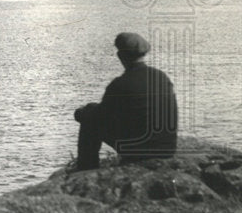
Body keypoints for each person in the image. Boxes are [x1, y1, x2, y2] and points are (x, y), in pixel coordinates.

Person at [73, 32, 178, 171]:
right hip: (167, 149)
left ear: (120, 56)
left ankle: (86, 170)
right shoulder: (161, 77)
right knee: (93, 111)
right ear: (144, 54)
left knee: (89, 118)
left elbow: (101, 117)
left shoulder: (120, 84)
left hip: (138, 152)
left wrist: (82, 113)